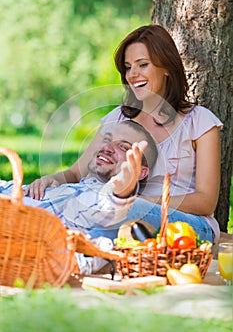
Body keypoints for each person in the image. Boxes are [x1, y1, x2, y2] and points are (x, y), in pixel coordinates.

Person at [25, 25, 223, 245]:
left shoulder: (199, 121)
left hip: (186, 225)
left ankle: (80, 250)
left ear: (166, 67)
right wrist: (50, 180)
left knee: (119, 210)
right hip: (113, 212)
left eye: (142, 65)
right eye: (128, 67)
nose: (132, 74)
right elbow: (75, 172)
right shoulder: (117, 118)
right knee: (57, 198)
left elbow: (206, 201)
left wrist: (131, 200)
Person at [1, 120, 157, 233]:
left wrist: (122, 190)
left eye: (123, 147)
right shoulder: (71, 187)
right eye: (107, 140)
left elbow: (105, 208)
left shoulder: (94, 198)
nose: (107, 148)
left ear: (141, 173)